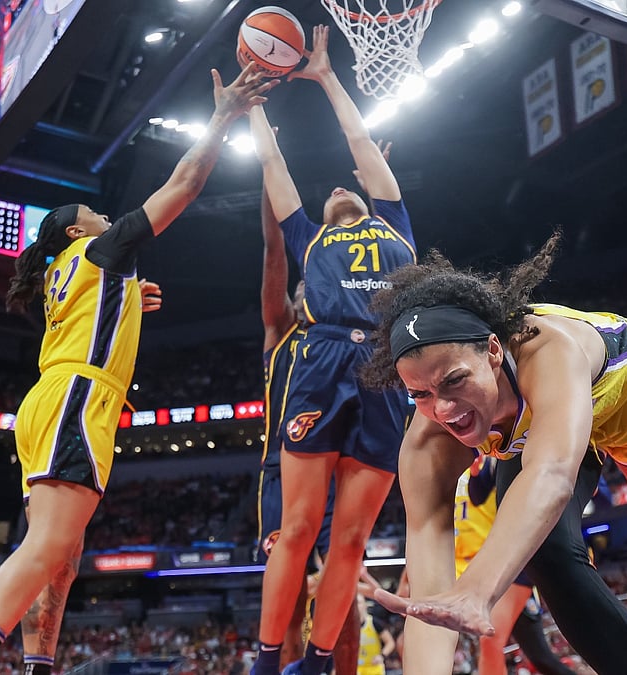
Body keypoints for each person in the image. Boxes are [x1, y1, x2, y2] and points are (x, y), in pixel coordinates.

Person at [0, 63, 275, 675]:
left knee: (64, 550)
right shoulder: (96, 248)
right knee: (49, 543)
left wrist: (130, 300)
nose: (109, 217)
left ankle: (38, 666)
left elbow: (99, 312)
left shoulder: (79, 271)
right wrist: (222, 117)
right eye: (97, 213)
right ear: (77, 229)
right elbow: (182, 186)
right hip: (79, 396)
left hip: (54, 398)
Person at [362, 241, 627, 673]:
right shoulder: (426, 444)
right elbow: (431, 598)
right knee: (543, 550)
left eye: (454, 380)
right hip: (543, 432)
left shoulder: (549, 350)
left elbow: (553, 474)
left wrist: (478, 590)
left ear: (492, 351)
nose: (443, 409)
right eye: (421, 394)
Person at [247, 25, 416, 675]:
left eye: (351, 188)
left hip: (382, 369)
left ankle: (317, 661)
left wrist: (324, 75)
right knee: (296, 527)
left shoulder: (395, 221)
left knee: (351, 539)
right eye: (335, 195)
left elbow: (360, 141)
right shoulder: (308, 237)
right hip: (321, 363)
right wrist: (254, 103)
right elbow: (272, 168)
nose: (341, 191)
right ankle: (267, 661)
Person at [257, 180, 360, 675]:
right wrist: (266, 179)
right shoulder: (281, 330)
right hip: (282, 469)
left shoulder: (345, 336)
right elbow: (275, 250)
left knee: (348, 591)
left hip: (337, 464)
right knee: (292, 588)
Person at [455, 456, 577, 675]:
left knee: (489, 638)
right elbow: (477, 495)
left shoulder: (521, 450)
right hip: (490, 565)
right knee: (540, 658)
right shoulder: (483, 460)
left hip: (514, 558)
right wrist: (476, 471)